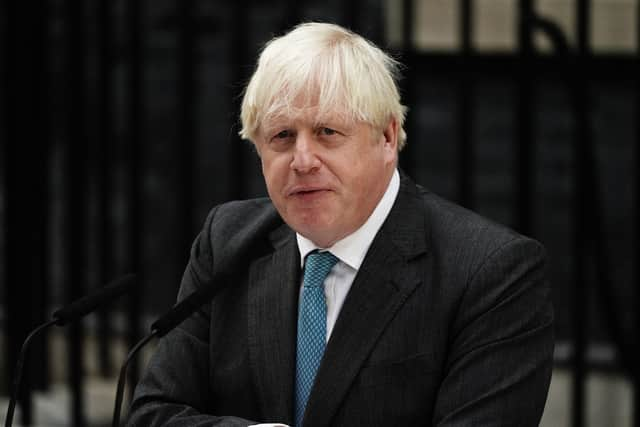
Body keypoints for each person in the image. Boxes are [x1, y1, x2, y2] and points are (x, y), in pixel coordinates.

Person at [127, 22, 554, 427]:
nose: (303, 160)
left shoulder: (491, 273)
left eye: (327, 131)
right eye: (281, 137)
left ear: (387, 138)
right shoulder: (229, 241)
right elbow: (154, 413)